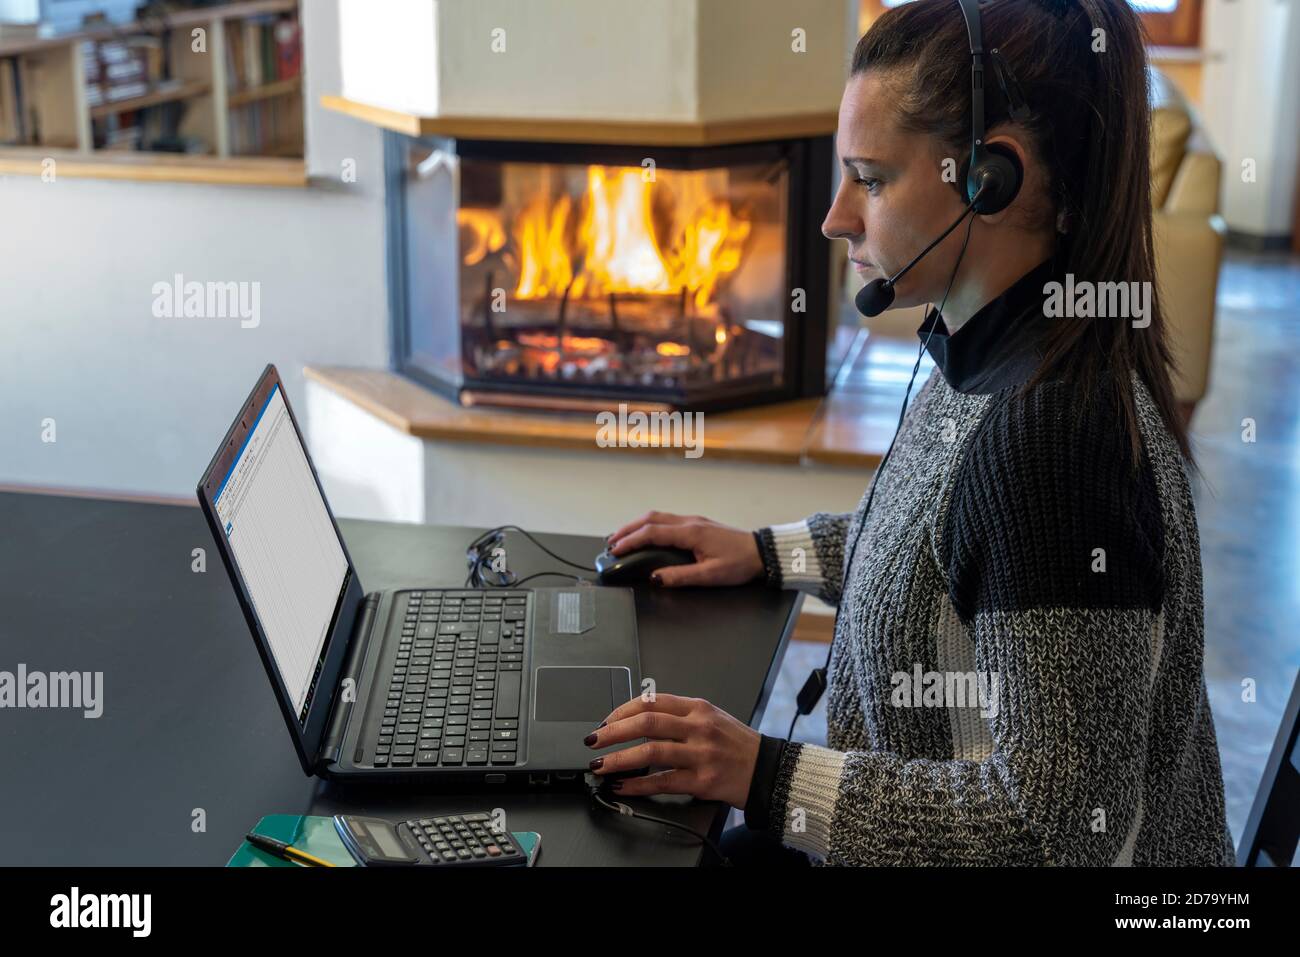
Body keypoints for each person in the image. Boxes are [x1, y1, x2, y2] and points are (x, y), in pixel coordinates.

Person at [581, 0, 1235, 866]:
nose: (835, 215)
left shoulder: (1051, 446)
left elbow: (1056, 830)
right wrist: (770, 553)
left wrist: (762, 771)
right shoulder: (993, 344)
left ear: (990, 179)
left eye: (872, 178)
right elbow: (950, 552)